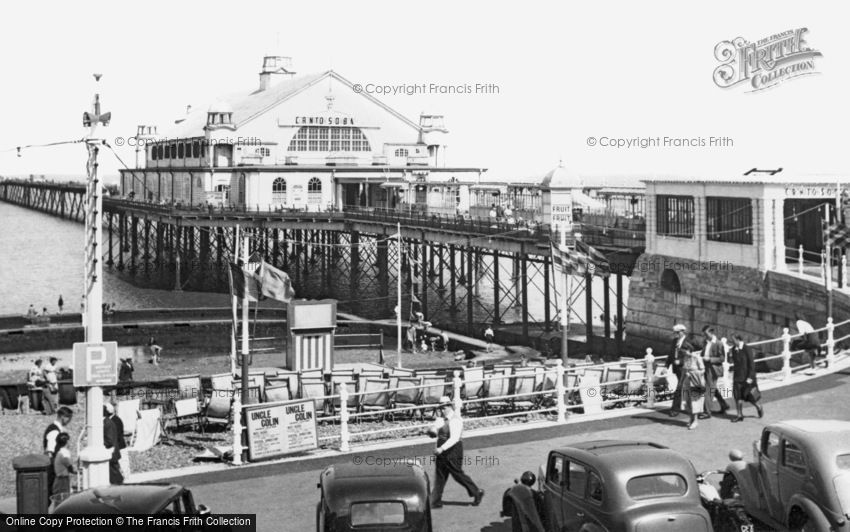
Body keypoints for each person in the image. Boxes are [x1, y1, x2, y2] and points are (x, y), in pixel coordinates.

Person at [427, 396, 484, 508]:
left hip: (453, 450)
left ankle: (476, 492)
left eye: (443, 408)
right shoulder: (441, 419)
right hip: (442, 449)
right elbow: (435, 430)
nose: (441, 411)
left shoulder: (456, 420)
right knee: (440, 475)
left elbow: (454, 438)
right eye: (440, 408)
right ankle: (435, 500)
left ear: (449, 406)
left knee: (457, 474)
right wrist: (431, 430)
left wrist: (441, 448)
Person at [730, 335, 764, 422]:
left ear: (738, 339)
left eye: (733, 340)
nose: (732, 342)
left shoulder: (747, 349)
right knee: (737, 396)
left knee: (751, 396)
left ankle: (759, 407)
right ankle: (739, 415)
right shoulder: (734, 350)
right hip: (737, 378)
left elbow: (752, 365)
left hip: (747, 377)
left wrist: (750, 378)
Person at [699, 326, 729, 418]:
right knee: (712, 388)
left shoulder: (719, 343)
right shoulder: (705, 342)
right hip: (706, 367)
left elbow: (722, 358)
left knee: (708, 390)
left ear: (711, 333)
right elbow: (703, 353)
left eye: (706, 334)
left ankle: (707, 412)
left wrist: (710, 359)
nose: (705, 336)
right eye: (704, 334)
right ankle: (724, 404)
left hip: (713, 369)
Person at [44, 406, 73, 499]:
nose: (69, 421)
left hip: (55, 466)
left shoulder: (57, 429)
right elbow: (50, 451)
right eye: (69, 418)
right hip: (54, 467)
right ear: (63, 417)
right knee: (54, 493)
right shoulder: (54, 431)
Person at [667, 324, 694, 417]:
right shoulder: (674, 341)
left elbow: (691, 357)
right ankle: (695, 407)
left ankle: (675, 409)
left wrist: (681, 361)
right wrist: (666, 366)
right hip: (677, 369)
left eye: (678, 332)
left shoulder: (689, 342)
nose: (676, 334)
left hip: (685, 368)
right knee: (687, 388)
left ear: (683, 332)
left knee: (679, 388)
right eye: (675, 333)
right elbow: (671, 355)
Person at [681, 349, 706, 430]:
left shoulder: (697, 357)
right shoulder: (685, 358)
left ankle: (695, 420)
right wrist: (681, 381)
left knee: (694, 401)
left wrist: (692, 374)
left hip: (695, 382)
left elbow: (703, 370)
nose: (684, 352)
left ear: (690, 350)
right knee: (687, 400)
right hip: (686, 381)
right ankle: (691, 418)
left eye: (685, 350)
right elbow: (684, 370)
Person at [51, 433, 74, 507]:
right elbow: (70, 467)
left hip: (59, 480)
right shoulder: (64, 453)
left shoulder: (59, 452)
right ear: (67, 442)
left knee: (59, 503)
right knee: (62, 503)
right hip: (62, 481)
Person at [103, 404, 124, 484]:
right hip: (111, 452)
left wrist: (99, 442)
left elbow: (110, 440)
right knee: (113, 474)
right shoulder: (107, 422)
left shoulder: (108, 423)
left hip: (111, 452)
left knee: (115, 475)